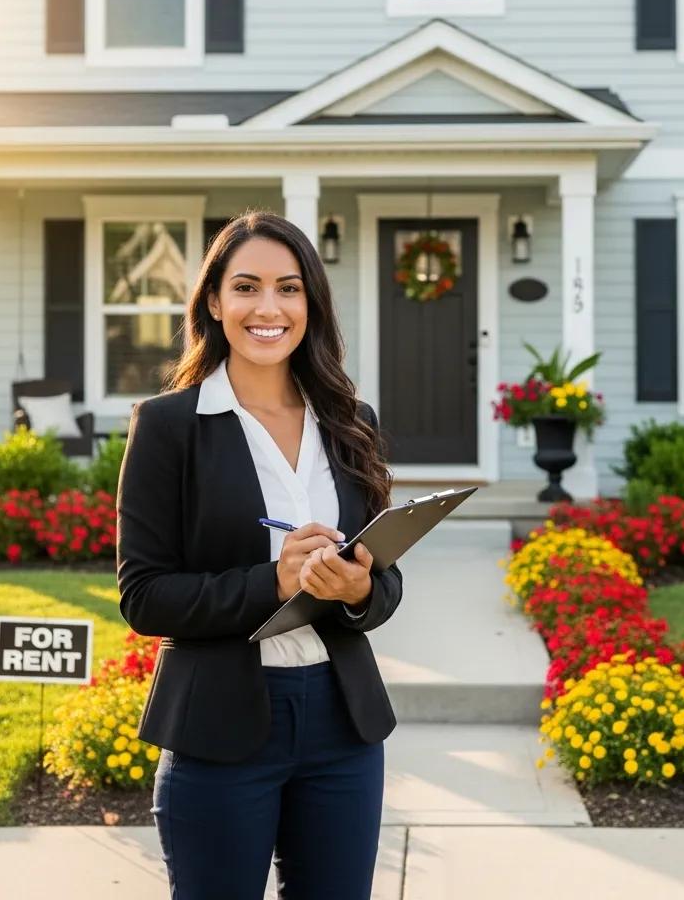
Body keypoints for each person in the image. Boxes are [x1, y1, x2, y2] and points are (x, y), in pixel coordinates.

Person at [116, 210, 402, 900]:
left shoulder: (351, 423)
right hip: (220, 729)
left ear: (311, 304)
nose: (268, 308)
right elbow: (145, 597)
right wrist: (274, 580)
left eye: (289, 288)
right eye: (246, 287)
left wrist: (358, 589)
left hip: (343, 727)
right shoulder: (167, 427)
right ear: (214, 303)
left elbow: (386, 582)